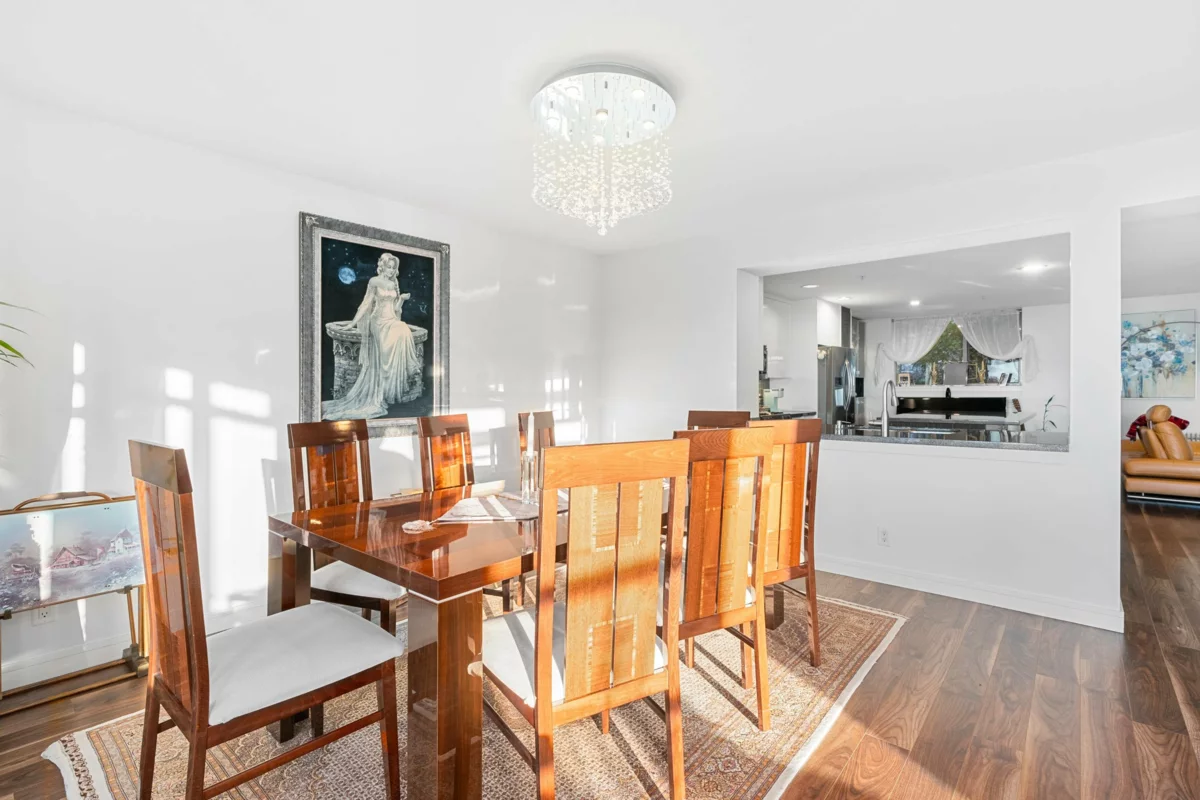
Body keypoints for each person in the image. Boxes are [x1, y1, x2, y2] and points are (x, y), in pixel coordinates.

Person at [322, 253, 422, 420]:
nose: (391, 271)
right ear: (382, 266)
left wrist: (402, 300)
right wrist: (352, 324)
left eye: (393, 268)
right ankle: (396, 377)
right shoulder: (374, 282)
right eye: (389, 267)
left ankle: (408, 370)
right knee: (391, 343)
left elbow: (396, 309)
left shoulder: (394, 283)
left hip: (391, 320)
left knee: (402, 328)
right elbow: (366, 304)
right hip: (377, 321)